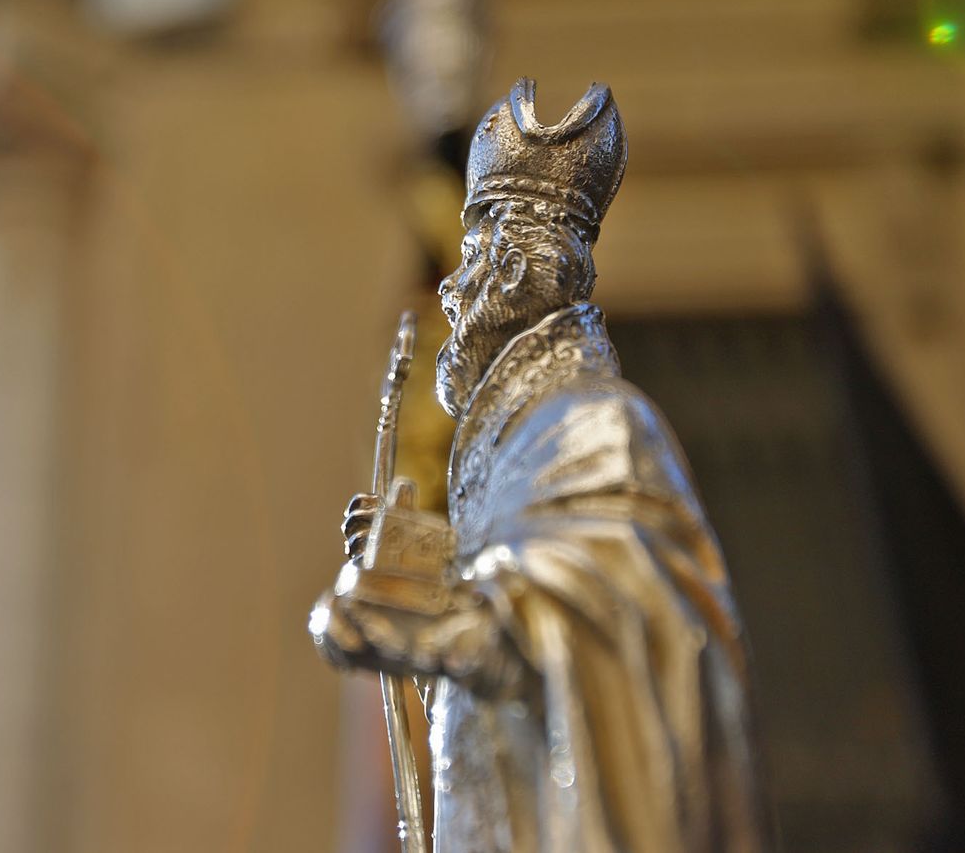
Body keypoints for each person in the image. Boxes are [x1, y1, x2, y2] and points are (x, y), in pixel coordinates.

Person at [311, 79, 766, 853]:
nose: (449, 293)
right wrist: (418, 563)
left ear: (514, 279)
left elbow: (617, 609)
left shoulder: (598, 426)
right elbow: (510, 594)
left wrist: (457, 622)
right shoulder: (508, 444)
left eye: (470, 264)